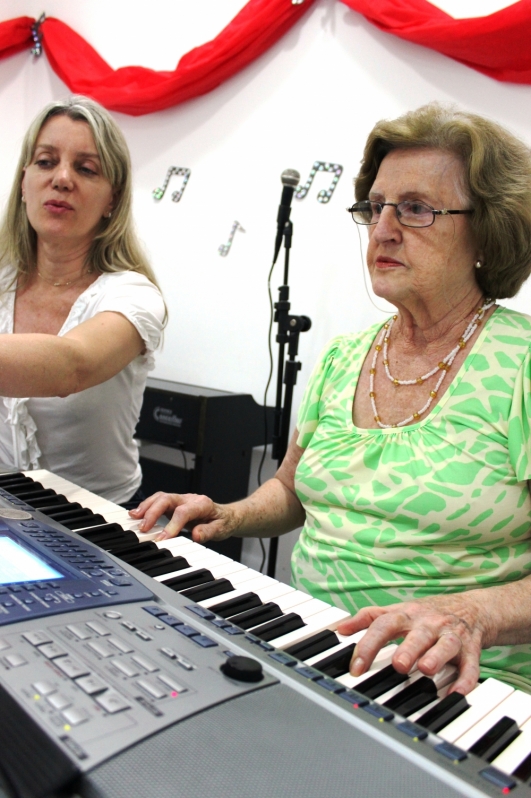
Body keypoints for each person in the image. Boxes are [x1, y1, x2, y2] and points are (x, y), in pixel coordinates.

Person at [131, 103, 531, 696]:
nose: (383, 228)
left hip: (457, 688)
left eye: (416, 209)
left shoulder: (520, 364)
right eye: (375, 207)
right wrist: (229, 513)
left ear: (487, 230)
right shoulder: (346, 356)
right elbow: (293, 488)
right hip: (308, 644)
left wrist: (473, 613)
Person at [0, 96, 165, 505]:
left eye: (85, 168)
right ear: (23, 183)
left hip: (99, 524)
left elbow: (72, 366)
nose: (61, 179)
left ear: (112, 199)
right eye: (45, 161)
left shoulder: (135, 295)